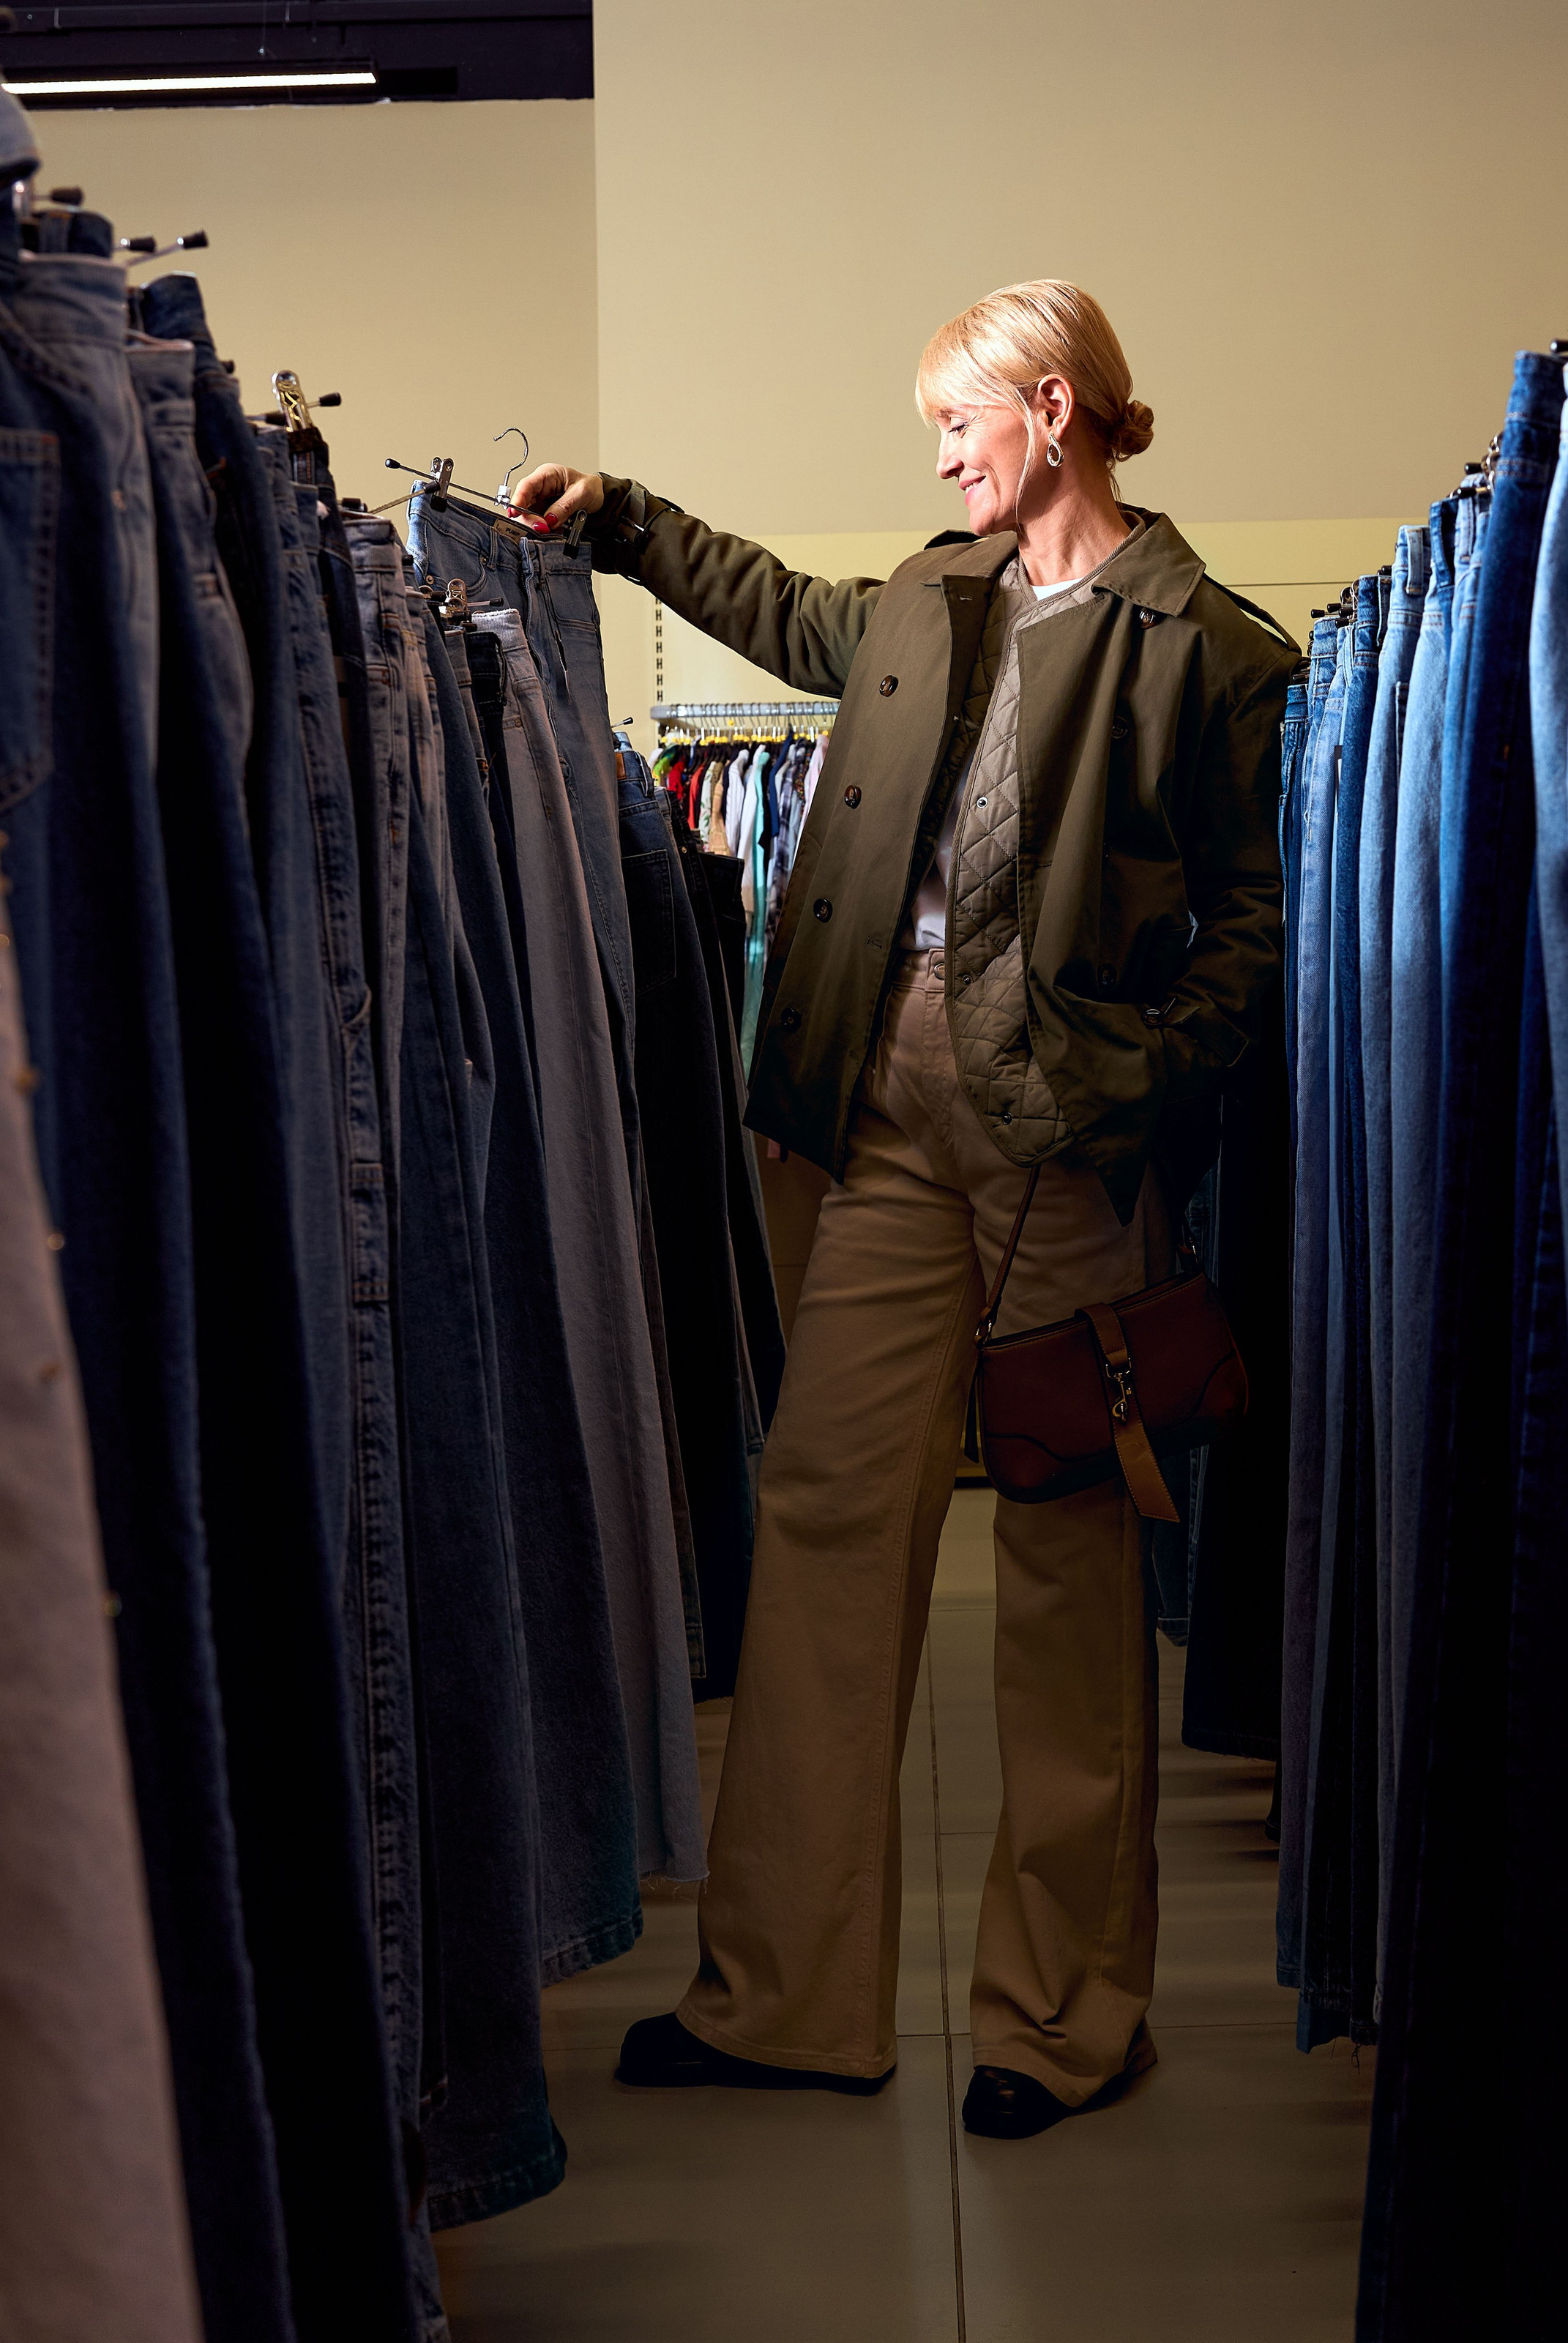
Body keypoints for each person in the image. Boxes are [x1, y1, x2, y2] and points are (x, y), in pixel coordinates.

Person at [514, 279, 1298, 2139]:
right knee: (823, 1526)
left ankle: (1062, 2015)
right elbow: (778, 608)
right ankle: (785, 1996)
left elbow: (1258, 933)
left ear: (1052, 407)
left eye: (960, 417)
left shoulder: (1208, 648)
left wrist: (1138, 1074)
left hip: (1064, 1138)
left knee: (1062, 1554)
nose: (940, 450)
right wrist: (620, 516)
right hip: (874, 1102)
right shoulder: (930, 594)